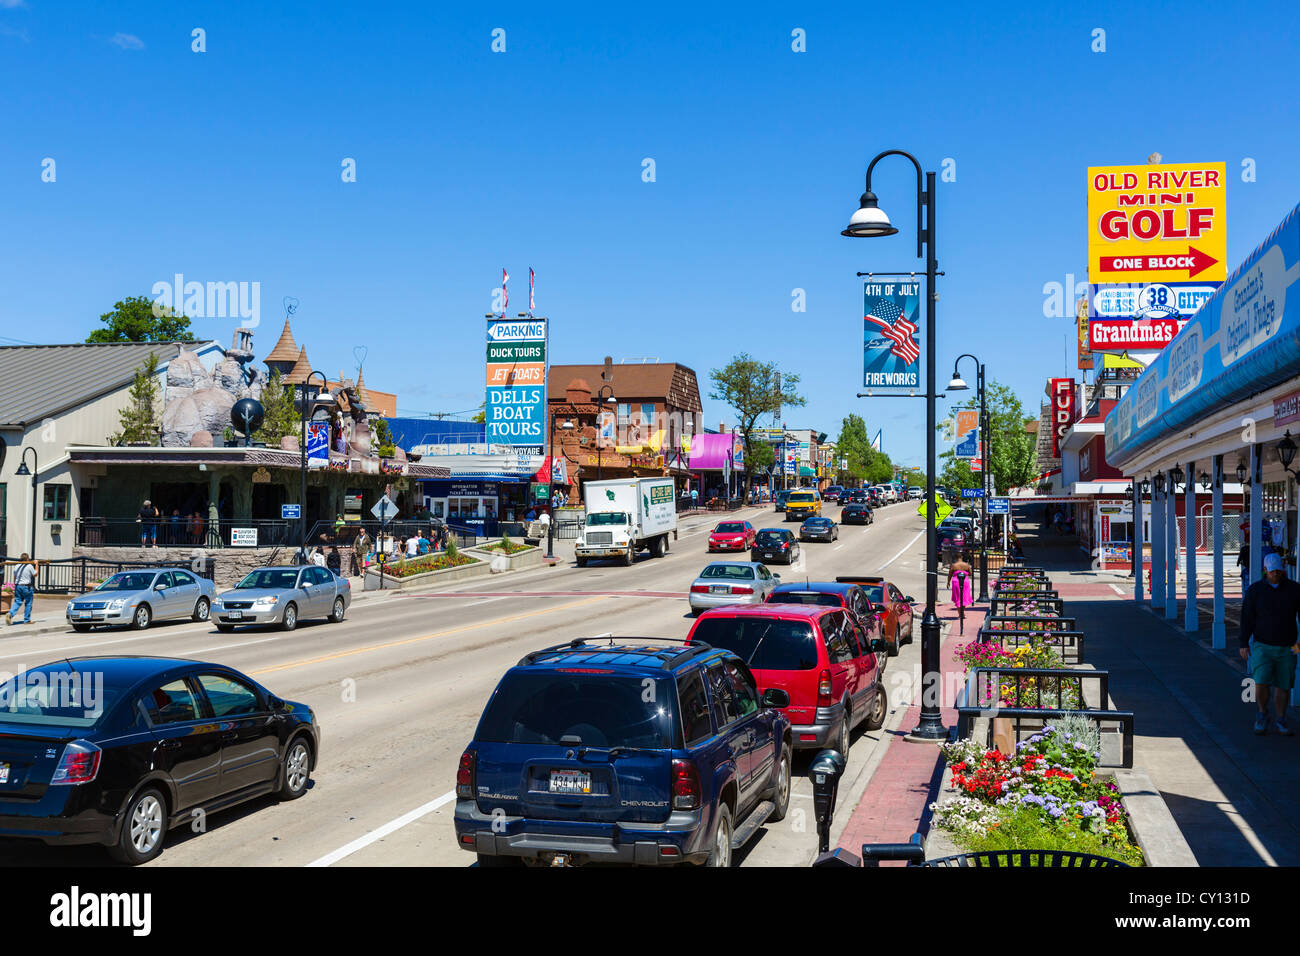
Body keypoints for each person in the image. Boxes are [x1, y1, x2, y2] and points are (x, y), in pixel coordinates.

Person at [1240, 552, 1300, 735]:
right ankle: (1262, 713)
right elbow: (1247, 618)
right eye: (1272, 571)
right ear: (1265, 570)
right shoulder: (1255, 591)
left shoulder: (1294, 590)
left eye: (1278, 571)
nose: (1276, 574)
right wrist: (1244, 643)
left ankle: (1281, 718)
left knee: (1284, 685)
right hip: (1262, 645)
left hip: (1288, 646)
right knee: (1261, 682)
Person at [6, 554, 36, 625]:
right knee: (28, 603)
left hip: (18, 586)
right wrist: (36, 564)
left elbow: (15, 577)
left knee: (17, 602)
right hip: (26, 587)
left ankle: (10, 614)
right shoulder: (29, 566)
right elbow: (35, 574)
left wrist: (14, 586)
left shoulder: (17, 566)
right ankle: (27, 620)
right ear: (28, 559)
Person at [948, 552, 973, 634]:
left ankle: (960, 614)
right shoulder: (966, 565)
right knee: (964, 597)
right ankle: (962, 613)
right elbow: (970, 573)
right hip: (965, 581)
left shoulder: (954, 565)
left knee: (958, 597)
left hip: (956, 581)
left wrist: (948, 582)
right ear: (961, 557)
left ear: (955, 557)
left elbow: (950, 574)